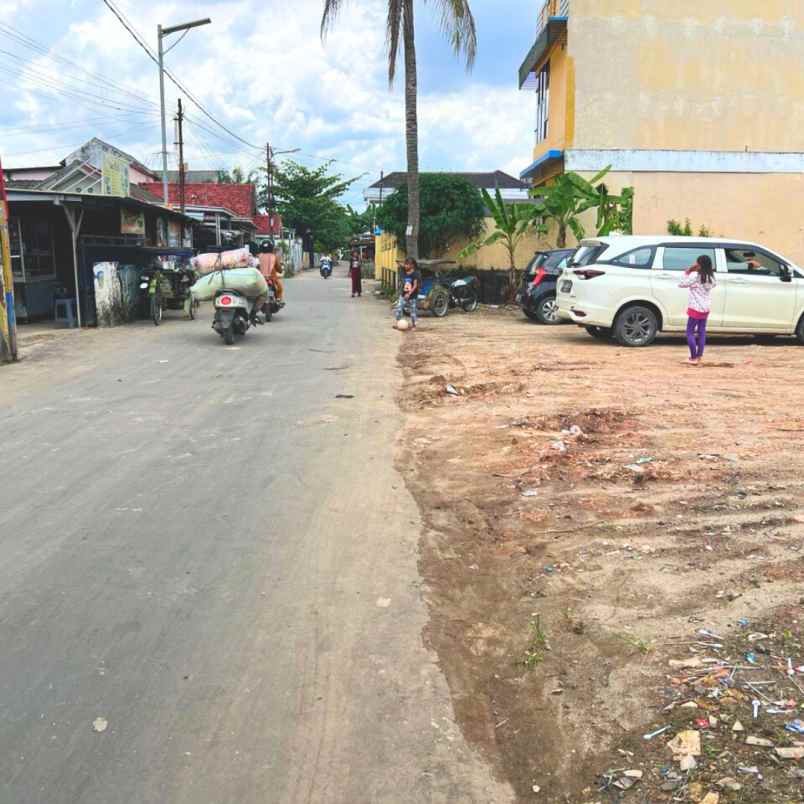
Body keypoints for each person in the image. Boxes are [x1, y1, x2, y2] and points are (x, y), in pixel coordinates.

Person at [679, 254, 716, 365]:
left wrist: (688, 271)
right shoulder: (711, 278)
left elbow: (681, 284)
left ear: (699, 265)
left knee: (690, 332)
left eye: (697, 262)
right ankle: (699, 357)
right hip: (705, 308)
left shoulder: (696, 277)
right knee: (702, 332)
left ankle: (693, 358)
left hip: (695, 308)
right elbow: (712, 285)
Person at [394, 258, 421, 329]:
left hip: (412, 296)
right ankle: (398, 323)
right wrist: (399, 262)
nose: (405, 266)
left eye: (407, 264)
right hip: (403, 295)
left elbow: (415, 285)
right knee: (399, 308)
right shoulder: (404, 271)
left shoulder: (415, 274)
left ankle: (414, 325)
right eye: (405, 264)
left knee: (412, 312)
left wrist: (409, 294)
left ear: (412, 265)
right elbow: (400, 264)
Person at [258, 241, 285, 306]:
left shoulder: (258, 256)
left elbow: (256, 266)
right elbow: (279, 268)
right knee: (280, 288)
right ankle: (278, 299)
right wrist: (281, 270)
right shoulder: (274, 257)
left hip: (260, 278)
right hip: (272, 278)